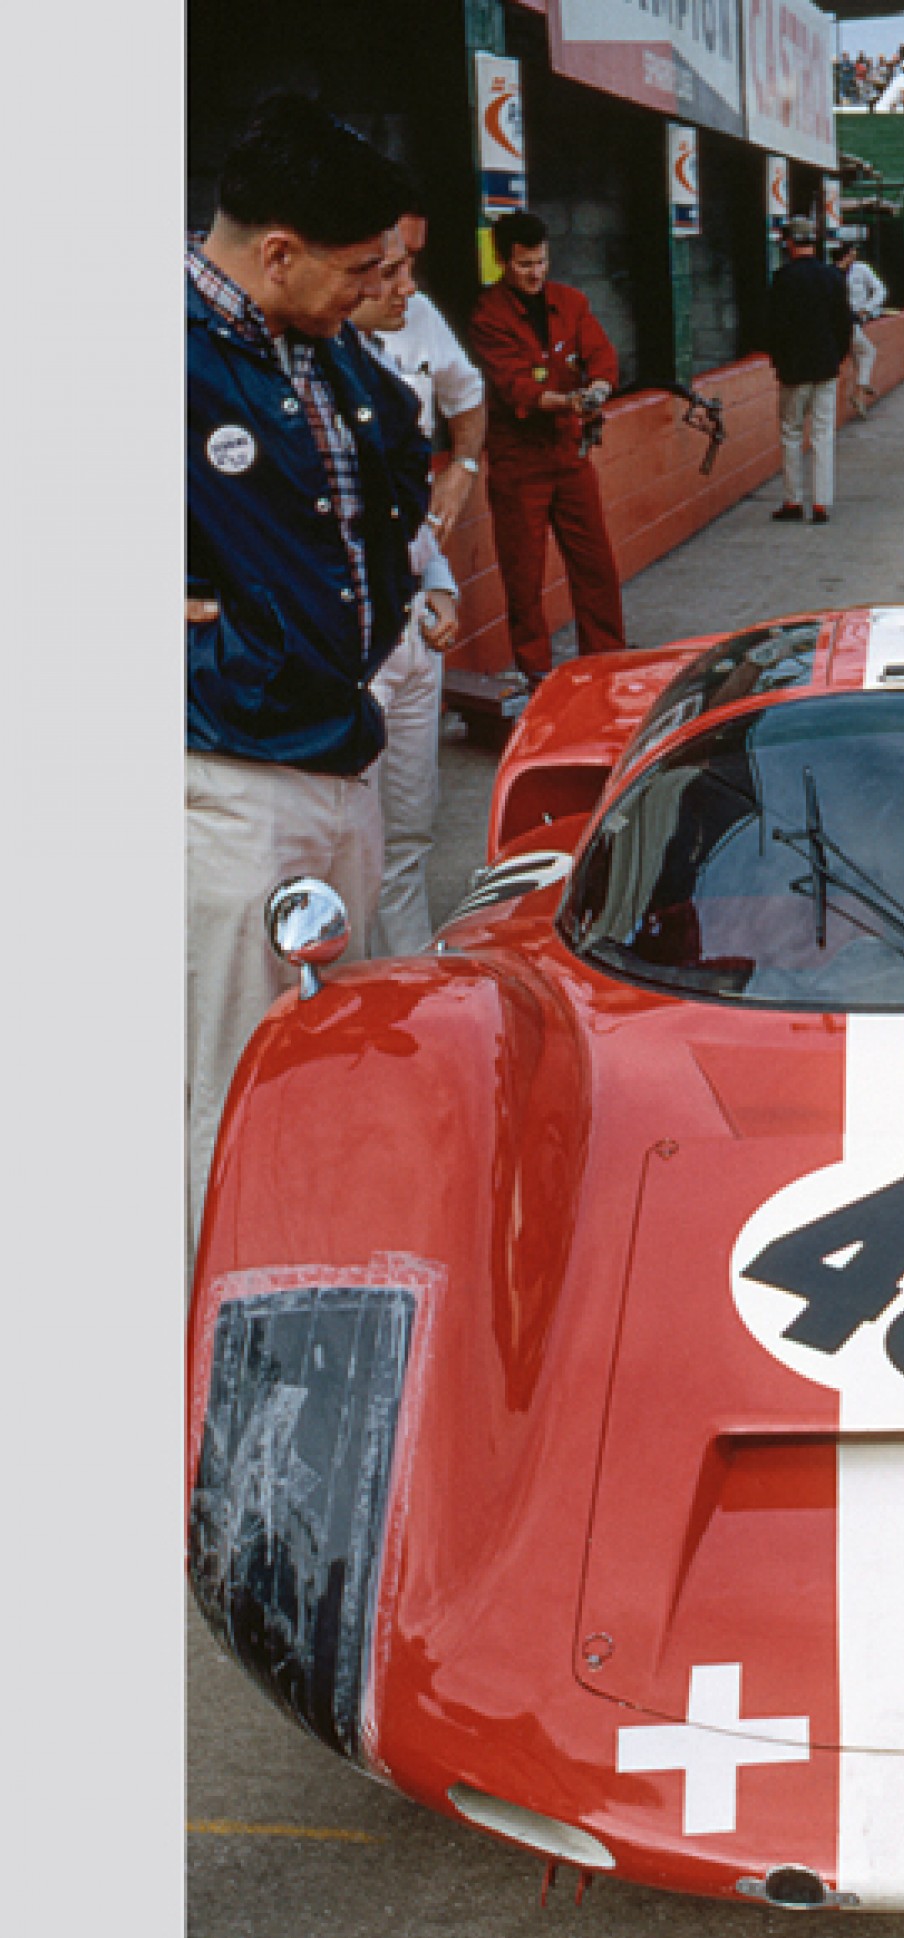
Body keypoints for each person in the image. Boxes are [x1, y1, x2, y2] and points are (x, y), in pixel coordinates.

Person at [186, 95, 431, 1245]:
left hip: (340, 747)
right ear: (276, 251)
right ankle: (197, 1347)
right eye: (354, 270)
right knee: (232, 1080)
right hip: (226, 771)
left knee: (343, 1053)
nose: (371, 291)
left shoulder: (322, 350)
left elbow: (391, 482)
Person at [349, 208, 485, 957]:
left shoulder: (412, 342)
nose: (409, 289)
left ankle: (411, 987)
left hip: (409, 624)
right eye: (391, 271)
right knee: (350, 844)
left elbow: (406, 503)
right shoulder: (296, 374)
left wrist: (437, 577)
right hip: (343, 643)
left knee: (409, 826)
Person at [467, 211, 626, 685]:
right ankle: (536, 671)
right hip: (520, 465)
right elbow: (514, 385)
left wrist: (598, 385)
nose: (535, 273)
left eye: (541, 262)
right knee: (524, 575)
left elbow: (601, 353)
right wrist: (569, 401)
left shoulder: (571, 302)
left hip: (570, 457)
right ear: (501, 261)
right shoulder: (487, 316)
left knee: (595, 561)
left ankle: (606, 660)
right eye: (523, 265)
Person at [765, 216, 853, 522]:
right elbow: (844, 325)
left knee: (791, 433)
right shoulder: (833, 277)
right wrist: (836, 356)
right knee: (822, 434)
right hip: (826, 365)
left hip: (793, 369)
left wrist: (779, 360)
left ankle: (792, 501)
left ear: (789, 242)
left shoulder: (782, 279)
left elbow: (774, 326)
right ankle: (821, 503)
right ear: (813, 242)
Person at [837, 241, 888, 418]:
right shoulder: (832, 272)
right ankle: (861, 388)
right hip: (844, 321)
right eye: (851, 253)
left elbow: (880, 290)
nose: (854, 256)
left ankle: (860, 391)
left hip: (856, 319)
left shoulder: (861, 269)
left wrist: (867, 308)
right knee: (868, 351)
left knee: (860, 354)